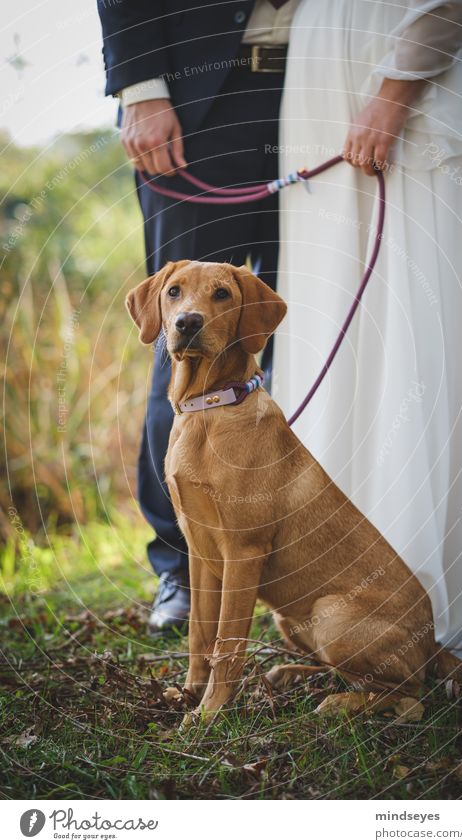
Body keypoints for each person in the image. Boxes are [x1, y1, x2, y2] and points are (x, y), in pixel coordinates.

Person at [274, 0, 462, 655]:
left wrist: (394, 91)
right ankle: (348, 589)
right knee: (352, 310)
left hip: (428, 71)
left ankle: (457, 578)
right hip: (332, 77)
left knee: (437, 308)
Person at [97, 0, 300, 632]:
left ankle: (288, 552)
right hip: (197, 100)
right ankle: (181, 566)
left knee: (311, 337)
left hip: (322, 94)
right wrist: (142, 91)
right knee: (185, 340)